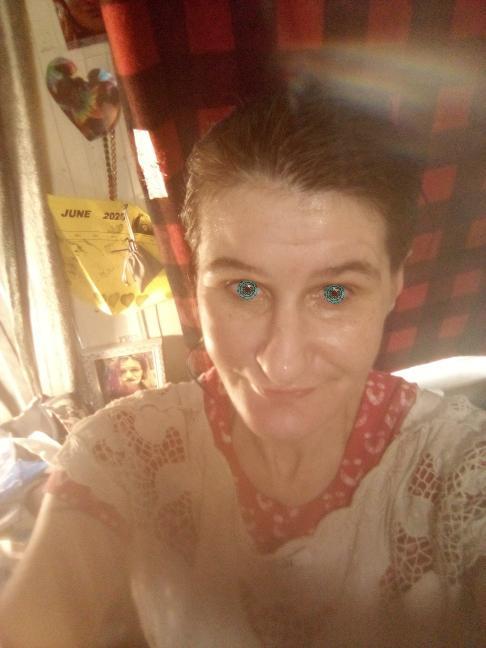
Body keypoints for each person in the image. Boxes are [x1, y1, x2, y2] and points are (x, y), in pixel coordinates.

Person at [0, 80, 485, 648]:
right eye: (245, 288)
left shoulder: (458, 466)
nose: (282, 362)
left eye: (334, 293)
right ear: (195, 283)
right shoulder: (124, 452)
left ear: (394, 284)